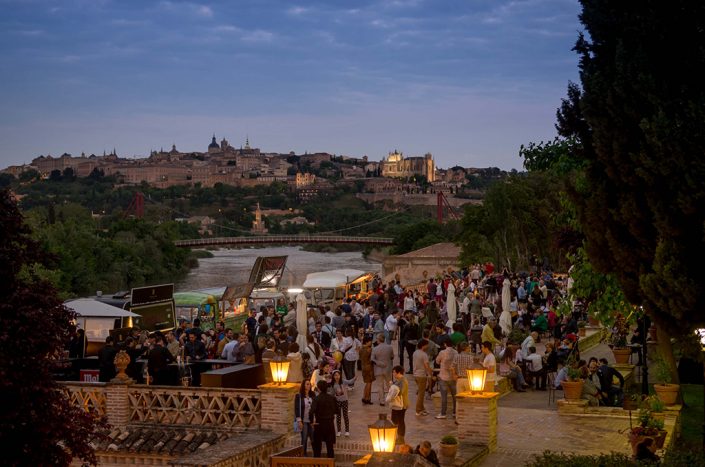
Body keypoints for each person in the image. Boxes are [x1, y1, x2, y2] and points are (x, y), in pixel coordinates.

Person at [310, 381, 337, 458]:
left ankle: (317, 464)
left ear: (318, 388)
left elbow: (311, 412)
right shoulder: (332, 398)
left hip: (319, 424)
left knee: (317, 448)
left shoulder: (316, 399)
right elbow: (336, 411)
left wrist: (312, 422)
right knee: (330, 448)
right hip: (329, 424)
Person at [385, 365, 409, 444]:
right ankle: (397, 437)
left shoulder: (403, 381)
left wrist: (392, 387)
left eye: (394, 372)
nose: (393, 374)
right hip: (396, 405)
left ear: (398, 372)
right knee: (394, 420)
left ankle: (401, 439)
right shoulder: (398, 380)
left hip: (401, 405)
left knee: (400, 421)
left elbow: (400, 392)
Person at [435, 340, 458, 419]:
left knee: (444, 397)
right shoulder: (456, 353)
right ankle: (455, 412)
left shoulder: (442, 352)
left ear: (445, 344)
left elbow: (437, 361)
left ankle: (443, 413)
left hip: (443, 376)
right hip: (452, 376)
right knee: (454, 396)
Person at [371, 333, 394, 406]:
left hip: (378, 369)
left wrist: (379, 363)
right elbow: (392, 356)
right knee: (389, 385)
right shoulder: (390, 347)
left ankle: (382, 401)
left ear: (378, 339)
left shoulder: (375, 349)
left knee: (380, 386)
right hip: (387, 369)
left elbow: (372, 359)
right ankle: (391, 400)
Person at [295, 379, 316, 456]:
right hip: (303, 420)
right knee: (304, 439)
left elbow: (315, 407)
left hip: (311, 420)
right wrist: (299, 421)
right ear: (303, 385)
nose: (309, 386)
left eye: (309, 384)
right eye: (307, 384)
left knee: (313, 438)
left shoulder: (313, 394)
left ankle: (316, 455)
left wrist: (315, 419)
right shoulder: (299, 396)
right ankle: (303, 456)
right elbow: (297, 408)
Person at [412, 339, 432, 416]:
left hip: (416, 374)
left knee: (421, 392)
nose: (427, 346)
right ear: (423, 345)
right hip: (421, 375)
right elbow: (427, 366)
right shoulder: (424, 355)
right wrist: (430, 373)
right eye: (427, 345)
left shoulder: (415, 353)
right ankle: (418, 410)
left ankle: (422, 409)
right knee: (421, 394)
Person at [331, 370, 350, 437]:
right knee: (338, 416)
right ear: (333, 376)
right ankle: (339, 431)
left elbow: (350, 381)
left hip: (345, 400)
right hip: (337, 401)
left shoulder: (343, 382)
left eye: (338, 375)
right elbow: (332, 393)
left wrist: (355, 378)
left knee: (345, 415)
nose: (337, 376)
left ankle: (347, 431)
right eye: (335, 375)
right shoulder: (333, 384)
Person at [359, 336, 374, 405]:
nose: (371, 342)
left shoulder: (361, 349)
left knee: (367, 383)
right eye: (370, 341)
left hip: (363, 367)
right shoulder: (369, 349)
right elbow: (372, 359)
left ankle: (364, 397)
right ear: (367, 342)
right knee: (369, 383)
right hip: (369, 367)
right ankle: (367, 398)